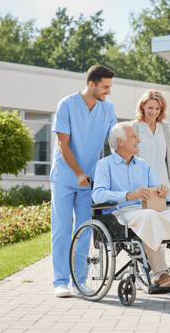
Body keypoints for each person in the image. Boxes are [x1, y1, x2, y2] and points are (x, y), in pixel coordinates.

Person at [92, 122, 170, 289]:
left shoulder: (142, 164)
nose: (138, 140)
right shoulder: (105, 165)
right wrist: (128, 195)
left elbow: (156, 188)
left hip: (149, 210)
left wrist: (161, 189)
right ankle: (160, 274)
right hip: (121, 214)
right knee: (149, 216)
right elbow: (97, 195)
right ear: (120, 141)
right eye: (134, 136)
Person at [50, 65, 117, 298]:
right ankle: (60, 281)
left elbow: (115, 143)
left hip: (89, 181)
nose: (108, 91)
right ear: (92, 84)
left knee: (85, 229)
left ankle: (80, 280)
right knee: (61, 229)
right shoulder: (66, 105)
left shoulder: (107, 109)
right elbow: (63, 144)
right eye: (105, 86)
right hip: (65, 177)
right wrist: (78, 172)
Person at [131, 90, 170, 201]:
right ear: (143, 106)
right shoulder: (134, 127)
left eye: (157, 108)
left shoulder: (165, 127)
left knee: (164, 218)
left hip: (163, 187)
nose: (154, 112)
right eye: (150, 108)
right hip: (141, 188)